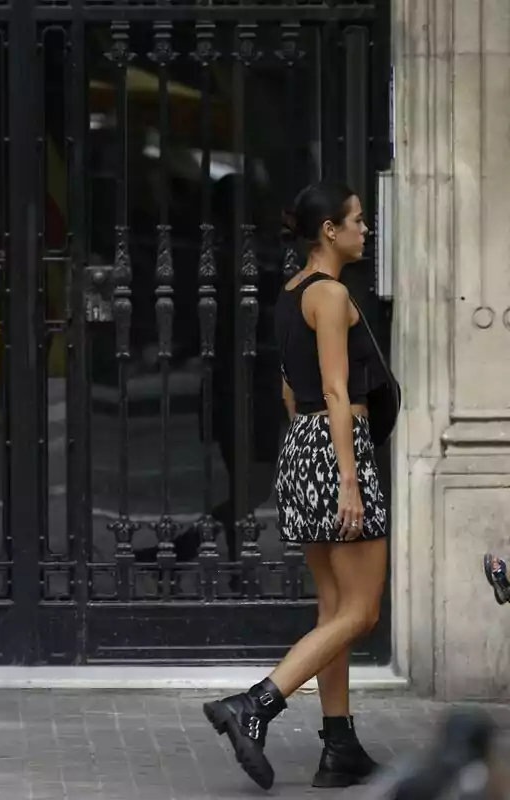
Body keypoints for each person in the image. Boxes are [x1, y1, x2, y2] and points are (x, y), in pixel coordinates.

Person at [203, 183, 389, 790]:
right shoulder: (331, 296)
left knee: (332, 606)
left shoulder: (290, 295)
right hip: (338, 452)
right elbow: (337, 391)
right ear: (329, 232)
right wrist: (349, 479)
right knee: (361, 611)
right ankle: (256, 703)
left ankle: (339, 746)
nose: (367, 229)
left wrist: (308, 458)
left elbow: (291, 390)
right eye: (358, 220)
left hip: (301, 447)